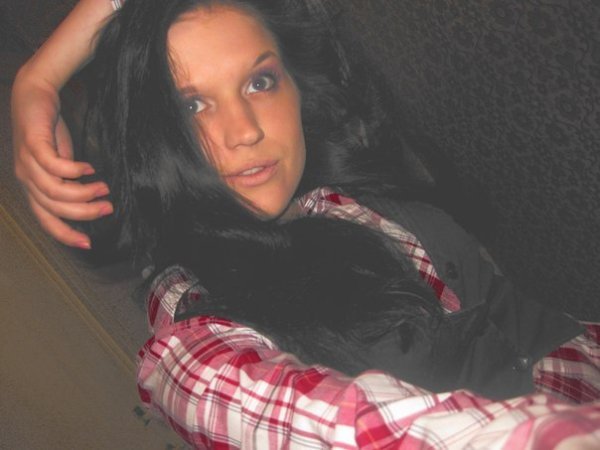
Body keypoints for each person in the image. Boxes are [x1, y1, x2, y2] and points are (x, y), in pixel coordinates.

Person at [11, 0, 600, 448]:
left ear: (296, 87)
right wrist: (39, 80)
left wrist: (39, 76)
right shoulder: (195, 330)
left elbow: (525, 319)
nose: (245, 130)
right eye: (192, 105)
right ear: (149, 138)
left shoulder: (347, 198)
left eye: (259, 82)